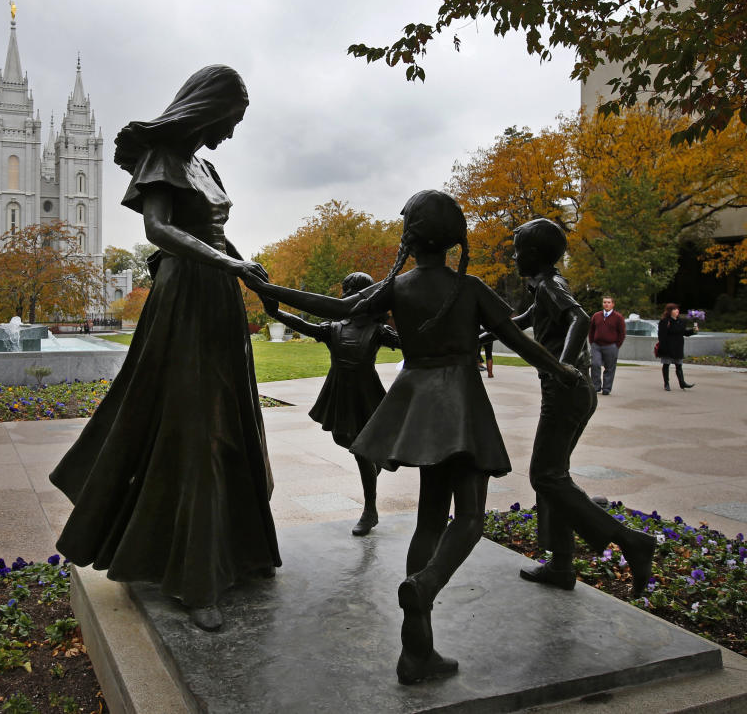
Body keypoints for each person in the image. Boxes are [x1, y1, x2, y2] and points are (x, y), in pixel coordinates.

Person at [248, 190, 581, 685]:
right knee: (469, 517)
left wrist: (269, 291)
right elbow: (518, 341)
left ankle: (416, 651)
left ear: (411, 238)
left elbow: (332, 306)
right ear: (454, 239)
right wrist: (561, 369)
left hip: (418, 408)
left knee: (430, 518)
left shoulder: (397, 289)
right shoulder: (469, 289)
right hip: (462, 407)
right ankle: (425, 585)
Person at [49, 65, 281, 633]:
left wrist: (249, 274)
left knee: (230, 426)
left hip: (219, 301)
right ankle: (195, 579)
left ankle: (238, 552)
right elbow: (158, 229)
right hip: (183, 303)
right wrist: (229, 264)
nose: (231, 132)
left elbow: (218, 234)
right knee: (196, 429)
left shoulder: (208, 166)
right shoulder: (162, 160)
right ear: (210, 109)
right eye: (231, 119)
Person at [499, 219, 654, 601]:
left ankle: (631, 542)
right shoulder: (543, 292)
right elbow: (516, 325)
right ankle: (562, 565)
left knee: (546, 476)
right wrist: (479, 328)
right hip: (571, 392)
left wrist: (563, 365)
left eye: (518, 250)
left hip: (566, 391)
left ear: (534, 255)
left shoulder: (551, 287)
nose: (515, 256)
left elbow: (579, 318)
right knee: (553, 476)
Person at [261, 271, 400, 536]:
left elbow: (413, 344)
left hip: (364, 391)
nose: (348, 295)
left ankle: (370, 510)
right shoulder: (334, 328)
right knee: (341, 438)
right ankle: (375, 464)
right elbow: (305, 326)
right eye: (347, 289)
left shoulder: (377, 330)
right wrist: (275, 311)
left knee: (360, 450)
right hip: (339, 389)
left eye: (354, 290)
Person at [588, 295, 625, 395]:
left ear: (613, 304)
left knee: (609, 368)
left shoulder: (618, 317)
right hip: (596, 346)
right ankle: (596, 387)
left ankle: (606, 389)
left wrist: (616, 345)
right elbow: (591, 330)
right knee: (595, 365)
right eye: (604, 302)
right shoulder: (596, 316)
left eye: (609, 302)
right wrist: (592, 342)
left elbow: (622, 333)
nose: (606, 304)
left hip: (611, 346)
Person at [658, 303, 698, 391]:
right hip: (668, 347)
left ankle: (682, 383)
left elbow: (685, 333)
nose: (677, 311)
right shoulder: (665, 321)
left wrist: (693, 330)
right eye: (674, 309)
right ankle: (666, 384)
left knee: (679, 365)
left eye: (677, 309)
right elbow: (661, 336)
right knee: (666, 365)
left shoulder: (681, 321)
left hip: (678, 347)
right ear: (670, 311)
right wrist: (663, 347)